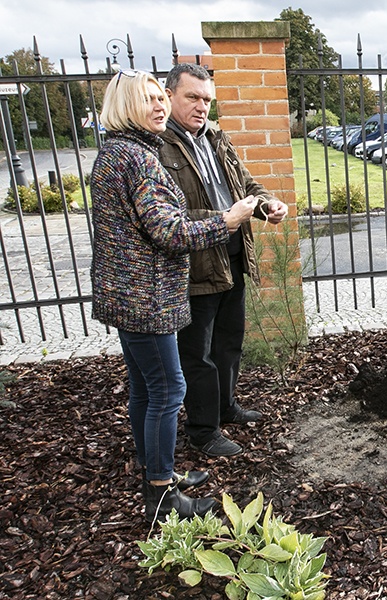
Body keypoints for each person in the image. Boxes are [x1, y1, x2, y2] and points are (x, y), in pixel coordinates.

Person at [90, 69, 256, 522]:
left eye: (158, 97)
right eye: (148, 100)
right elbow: (170, 231)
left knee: (145, 388)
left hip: (128, 294)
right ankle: (162, 496)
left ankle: (154, 471)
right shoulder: (139, 159)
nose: (158, 106)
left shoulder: (116, 153)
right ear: (125, 106)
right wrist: (227, 221)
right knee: (169, 389)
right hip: (148, 296)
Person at [159, 63, 289, 457]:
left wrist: (267, 203)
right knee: (197, 353)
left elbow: (244, 184)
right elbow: (169, 215)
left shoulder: (215, 136)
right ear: (169, 97)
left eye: (206, 100)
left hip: (232, 256)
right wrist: (223, 219)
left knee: (229, 341)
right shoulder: (159, 146)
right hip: (195, 264)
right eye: (192, 98)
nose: (201, 107)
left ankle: (225, 407)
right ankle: (203, 430)